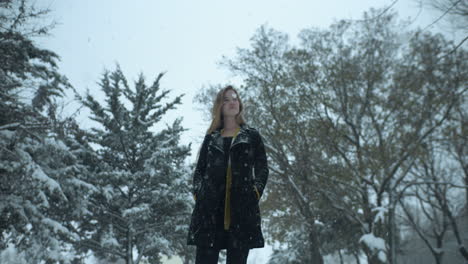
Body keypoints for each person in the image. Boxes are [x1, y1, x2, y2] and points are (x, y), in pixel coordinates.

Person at [187, 85, 269, 264]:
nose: (232, 102)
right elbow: (199, 171)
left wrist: (255, 193)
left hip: (241, 211)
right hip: (209, 212)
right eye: (226, 99)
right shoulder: (211, 138)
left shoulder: (251, 136)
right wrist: (199, 194)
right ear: (220, 107)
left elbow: (262, 168)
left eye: (235, 98)